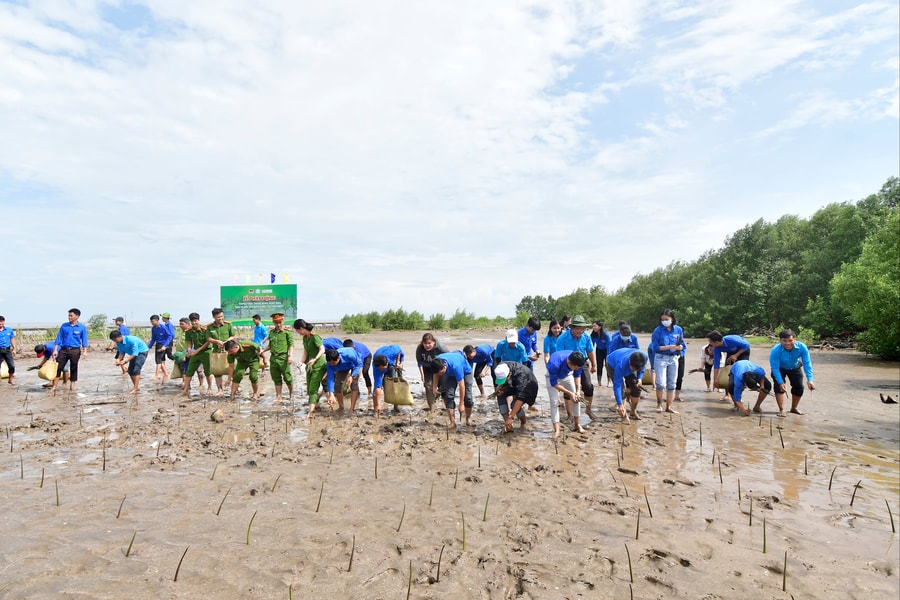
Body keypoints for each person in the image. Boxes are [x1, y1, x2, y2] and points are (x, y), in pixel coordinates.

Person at [556, 315, 597, 419]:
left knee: (588, 386)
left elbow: (590, 351)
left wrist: (594, 365)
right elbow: (559, 355)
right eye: (578, 328)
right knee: (569, 388)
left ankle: (588, 410)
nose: (580, 331)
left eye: (582, 328)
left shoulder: (586, 336)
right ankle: (570, 414)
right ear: (572, 327)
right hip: (567, 364)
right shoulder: (562, 338)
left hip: (582, 362)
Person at [768, 329, 815, 416]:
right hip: (780, 368)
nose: (788, 343)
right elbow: (774, 367)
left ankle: (794, 408)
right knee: (779, 387)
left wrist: (810, 379)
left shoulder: (802, 347)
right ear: (780, 341)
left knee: (799, 387)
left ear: (795, 339)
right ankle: (781, 409)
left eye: (790, 340)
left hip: (794, 366)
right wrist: (780, 382)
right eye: (784, 341)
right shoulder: (775, 350)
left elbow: (807, 363)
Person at [544, 350, 587, 437]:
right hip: (552, 377)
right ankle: (557, 430)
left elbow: (577, 375)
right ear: (569, 363)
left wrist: (578, 391)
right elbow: (554, 384)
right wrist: (569, 393)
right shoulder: (554, 364)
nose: (578, 369)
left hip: (567, 375)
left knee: (576, 398)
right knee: (554, 402)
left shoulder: (578, 361)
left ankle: (577, 424)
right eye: (576, 367)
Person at [650, 309, 684, 414]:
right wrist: (669, 347)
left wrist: (680, 349)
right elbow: (655, 347)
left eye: (667, 319)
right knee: (660, 384)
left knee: (672, 384)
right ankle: (659, 404)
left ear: (672, 319)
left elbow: (683, 345)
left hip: (674, 358)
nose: (665, 321)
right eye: (662, 319)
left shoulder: (678, 329)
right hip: (661, 358)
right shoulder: (657, 330)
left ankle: (669, 406)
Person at [431, 351, 474, 430]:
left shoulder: (456, 366)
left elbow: (462, 385)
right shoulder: (436, 362)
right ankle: (452, 422)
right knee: (449, 396)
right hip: (450, 374)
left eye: (441, 373)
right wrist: (434, 387)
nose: (440, 375)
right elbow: (436, 374)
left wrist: (461, 404)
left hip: (465, 371)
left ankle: (468, 419)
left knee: (468, 398)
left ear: (444, 366)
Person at [492, 362, 538, 433]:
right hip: (512, 383)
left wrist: (511, 417)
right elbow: (501, 383)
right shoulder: (500, 368)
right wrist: (500, 386)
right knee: (500, 395)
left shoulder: (521, 376)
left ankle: (524, 422)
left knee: (514, 405)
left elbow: (520, 398)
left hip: (528, 386)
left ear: (509, 374)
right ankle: (508, 425)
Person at [51, 308, 89, 393]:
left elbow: (84, 340)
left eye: (71, 315)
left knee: (74, 367)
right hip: (63, 350)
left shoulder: (82, 327)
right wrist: (55, 350)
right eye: (69, 315)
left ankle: (72, 386)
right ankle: (54, 386)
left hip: (75, 350)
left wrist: (85, 351)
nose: (69, 317)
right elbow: (58, 338)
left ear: (77, 316)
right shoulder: (64, 326)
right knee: (58, 367)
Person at [606, 347, 649, 421]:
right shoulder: (621, 365)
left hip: (628, 362)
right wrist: (619, 404)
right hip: (612, 364)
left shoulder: (644, 357)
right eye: (632, 368)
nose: (633, 370)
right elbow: (617, 386)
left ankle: (633, 410)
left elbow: (642, 369)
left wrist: (639, 378)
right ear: (629, 362)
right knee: (622, 390)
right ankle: (624, 414)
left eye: (635, 369)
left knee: (636, 388)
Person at [294, 319, 325, 416]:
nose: (297, 333)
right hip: (310, 366)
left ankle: (310, 412)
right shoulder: (305, 338)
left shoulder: (315, 337)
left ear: (302, 329)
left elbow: (322, 349)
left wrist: (315, 359)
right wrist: (301, 362)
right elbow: (305, 352)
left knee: (313, 388)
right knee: (309, 388)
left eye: (297, 331)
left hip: (318, 365)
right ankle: (316, 404)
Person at [708, 331, 751, 399]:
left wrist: (736, 355)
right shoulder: (716, 348)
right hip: (731, 352)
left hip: (743, 350)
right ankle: (727, 394)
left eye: (710, 342)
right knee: (727, 373)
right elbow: (716, 364)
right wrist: (715, 379)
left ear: (716, 342)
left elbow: (747, 345)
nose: (710, 344)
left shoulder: (731, 340)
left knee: (740, 372)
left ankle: (740, 393)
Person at [206, 308, 236, 396]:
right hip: (216, 351)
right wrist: (216, 341)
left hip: (228, 350)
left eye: (222, 316)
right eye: (218, 317)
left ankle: (235, 387)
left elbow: (233, 335)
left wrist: (227, 341)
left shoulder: (228, 325)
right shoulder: (210, 327)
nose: (221, 318)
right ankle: (220, 390)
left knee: (232, 369)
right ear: (214, 317)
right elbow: (208, 338)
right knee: (217, 372)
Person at [324, 346, 362, 414]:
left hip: (354, 365)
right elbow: (330, 378)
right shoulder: (329, 364)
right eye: (330, 363)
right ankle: (341, 407)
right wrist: (331, 393)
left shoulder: (349, 355)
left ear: (338, 358)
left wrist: (352, 376)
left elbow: (359, 364)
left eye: (333, 363)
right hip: (341, 368)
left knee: (354, 385)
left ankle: (352, 408)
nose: (332, 365)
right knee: (337, 385)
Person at [416, 333, 449, 410]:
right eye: (425, 343)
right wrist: (430, 365)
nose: (427, 345)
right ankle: (432, 406)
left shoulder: (441, 347)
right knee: (428, 386)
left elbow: (449, 358)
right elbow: (419, 361)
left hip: (440, 368)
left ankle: (446, 404)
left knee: (443, 386)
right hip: (428, 368)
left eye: (429, 343)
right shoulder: (420, 348)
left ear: (433, 342)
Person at [182, 312, 212, 397]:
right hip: (195, 352)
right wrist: (189, 350)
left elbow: (208, 342)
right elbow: (189, 342)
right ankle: (186, 390)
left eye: (195, 321)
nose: (194, 323)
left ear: (198, 320)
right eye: (192, 321)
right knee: (189, 371)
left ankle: (209, 388)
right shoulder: (189, 331)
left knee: (207, 371)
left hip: (206, 352)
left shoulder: (205, 329)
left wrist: (197, 350)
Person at [267, 313, 294, 404]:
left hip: (284, 358)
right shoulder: (271, 332)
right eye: (276, 322)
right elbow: (270, 345)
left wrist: (290, 356)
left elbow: (291, 345)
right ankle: (279, 396)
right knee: (276, 377)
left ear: (283, 321)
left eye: (280, 322)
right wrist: (263, 351)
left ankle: (291, 394)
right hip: (273, 358)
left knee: (287, 377)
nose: (278, 324)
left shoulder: (287, 332)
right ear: (273, 323)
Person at [372, 344, 405, 416]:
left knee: (393, 385)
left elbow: (399, 350)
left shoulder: (393, 351)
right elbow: (378, 387)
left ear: (386, 362)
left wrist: (398, 361)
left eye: (383, 368)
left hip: (391, 364)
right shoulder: (376, 368)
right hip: (380, 361)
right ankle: (376, 409)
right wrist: (378, 404)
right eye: (381, 368)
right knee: (376, 387)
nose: (382, 370)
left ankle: (396, 407)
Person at [147, 314, 173, 380]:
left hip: (163, 345)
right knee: (160, 360)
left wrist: (165, 345)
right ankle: (166, 374)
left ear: (157, 321)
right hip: (158, 345)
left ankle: (156, 376)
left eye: (153, 321)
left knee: (158, 361)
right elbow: (153, 338)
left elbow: (169, 336)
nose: (152, 323)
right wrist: (149, 347)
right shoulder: (153, 328)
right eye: (151, 321)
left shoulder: (163, 327)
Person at [591, 320, 611, 387]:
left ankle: (609, 381)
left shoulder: (606, 334)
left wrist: (608, 356)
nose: (593, 327)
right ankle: (599, 382)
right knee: (599, 366)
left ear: (600, 327)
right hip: (599, 350)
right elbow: (591, 345)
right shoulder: (593, 334)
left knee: (608, 366)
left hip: (607, 351)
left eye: (595, 326)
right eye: (593, 326)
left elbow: (609, 345)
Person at [0, 316, 17, 385]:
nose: (0, 323)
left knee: (12, 366)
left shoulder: (9, 330)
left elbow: (12, 340)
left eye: (1, 321)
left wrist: (14, 348)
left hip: (7, 350)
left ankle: (10, 380)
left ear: (4, 322)